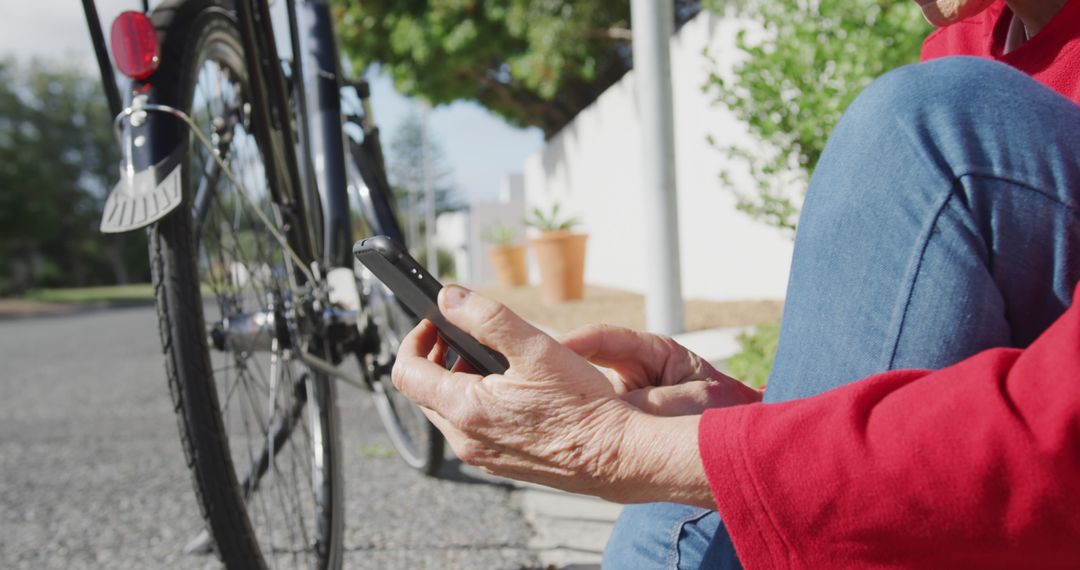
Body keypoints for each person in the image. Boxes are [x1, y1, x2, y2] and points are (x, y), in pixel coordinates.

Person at [391, 0, 1080, 566]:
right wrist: (748, 411)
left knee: (928, 123)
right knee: (679, 498)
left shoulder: (956, 113)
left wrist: (609, 445)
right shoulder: (972, 41)